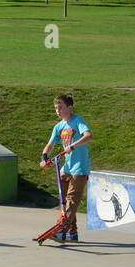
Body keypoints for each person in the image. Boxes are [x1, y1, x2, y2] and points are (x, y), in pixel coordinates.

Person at [38, 94, 92, 243]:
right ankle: (72, 233)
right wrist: (44, 157)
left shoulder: (78, 120)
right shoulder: (59, 127)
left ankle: (62, 229)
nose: (58, 110)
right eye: (56, 108)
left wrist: (73, 146)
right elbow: (50, 145)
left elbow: (88, 136)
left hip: (80, 168)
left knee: (71, 200)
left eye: (60, 107)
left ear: (69, 107)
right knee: (64, 201)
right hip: (66, 167)